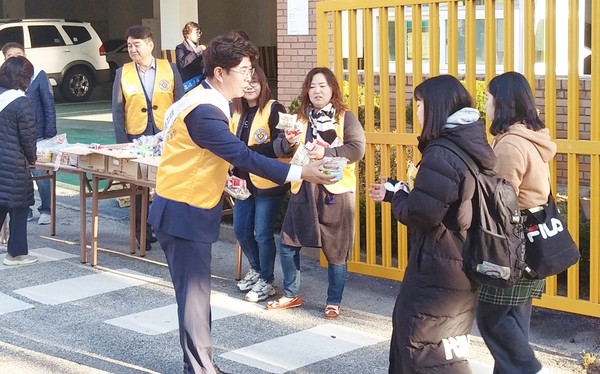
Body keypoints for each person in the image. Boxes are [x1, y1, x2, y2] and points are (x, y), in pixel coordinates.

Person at [147, 35, 335, 374]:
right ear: (220, 72)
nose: (250, 78)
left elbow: (226, 157)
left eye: (251, 69)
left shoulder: (204, 101)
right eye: (244, 70)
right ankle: (200, 369)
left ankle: (201, 366)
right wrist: (300, 171)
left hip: (180, 208)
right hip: (183, 212)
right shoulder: (206, 110)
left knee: (194, 298)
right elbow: (242, 155)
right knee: (193, 300)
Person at [368, 75, 496, 373]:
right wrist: (399, 193)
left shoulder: (441, 153)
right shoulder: (473, 145)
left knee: (422, 347)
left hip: (438, 268)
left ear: (436, 106)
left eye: (420, 104)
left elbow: (421, 214)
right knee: (448, 346)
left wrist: (397, 197)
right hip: (464, 260)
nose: (417, 111)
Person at [265, 67, 366, 320]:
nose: (317, 91)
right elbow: (278, 148)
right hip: (303, 189)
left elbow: (357, 149)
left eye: (322, 85)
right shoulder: (298, 119)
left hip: (335, 192)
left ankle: (333, 302)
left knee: (336, 251)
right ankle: (291, 294)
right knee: (288, 244)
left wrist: (328, 153)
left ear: (332, 89)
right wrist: (287, 141)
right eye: (312, 86)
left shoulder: (345, 117)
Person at [476, 72, 556, 374]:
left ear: (504, 103)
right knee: (516, 318)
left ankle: (530, 368)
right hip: (532, 238)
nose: (487, 105)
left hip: (512, 243)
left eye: (489, 98)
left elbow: (500, 200)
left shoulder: (511, 144)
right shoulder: (532, 136)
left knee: (492, 317)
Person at [112, 25, 184, 251]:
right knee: (138, 186)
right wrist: (121, 142)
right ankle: (141, 232)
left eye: (137, 45)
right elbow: (117, 110)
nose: (133, 50)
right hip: (136, 135)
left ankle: (166, 229)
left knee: (167, 183)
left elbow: (181, 104)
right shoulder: (122, 73)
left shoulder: (169, 68)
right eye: (130, 45)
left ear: (150, 45)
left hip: (166, 135)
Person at [231, 63, 288, 302]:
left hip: (268, 183)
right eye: (246, 81)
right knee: (241, 230)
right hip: (242, 183)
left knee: (262, 233)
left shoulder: (274, 109)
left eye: (255, 81)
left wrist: (248, 151)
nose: (250, 86)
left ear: (263, 83)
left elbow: (282, 145)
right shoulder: (236, 111)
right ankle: (255, 268)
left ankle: (267, 280)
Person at [2, 42, 56, 226]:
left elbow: (48, 105)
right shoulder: (9, 88)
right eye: (11, 56)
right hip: (14, 147)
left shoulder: (38, 74)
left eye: (19, 54)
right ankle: (23, 213)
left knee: (41, 176)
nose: (17, 58)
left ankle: (47, 209)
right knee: (17, 187)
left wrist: (50, 134)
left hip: (37, 136)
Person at [0, 56, 38, 266]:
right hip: (13, 163)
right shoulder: (20, 102)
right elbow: (28, 138)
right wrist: (32, 159)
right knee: (20, 205)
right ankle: (16, 253)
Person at [175, 21, 206, 92]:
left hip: (200, 84)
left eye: (200, 33)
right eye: (196, 32)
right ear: (187, 34)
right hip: (188, 85)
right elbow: (182, 64)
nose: (199, 35)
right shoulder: (180, 48)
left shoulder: (199, 48)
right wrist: (195, 52)